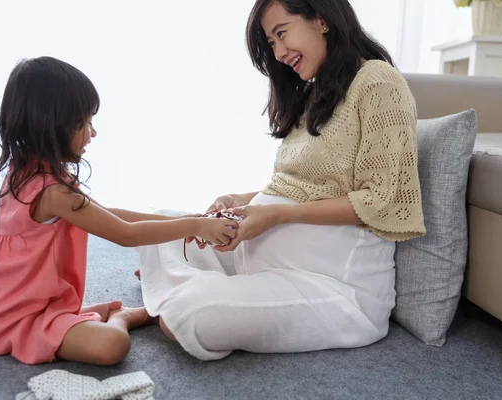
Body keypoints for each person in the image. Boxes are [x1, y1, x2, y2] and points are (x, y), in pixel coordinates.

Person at [135, 0, 426, 361]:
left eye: (282, 33)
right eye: (271, 43)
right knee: (160, 226)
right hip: (262, 257)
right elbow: (303, 185)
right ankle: (195, 287)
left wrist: (276, 216)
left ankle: (180, 293)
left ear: (320, 19)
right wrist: (240, 198)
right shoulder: (317, 94)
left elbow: (381, 198)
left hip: (334, 285)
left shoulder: (378, 82)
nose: (279, 52)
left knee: (188, 316)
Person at [0, 56, 239, 366]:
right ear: (52, 124)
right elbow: (125, 233)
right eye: (85, 123)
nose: (92, 133)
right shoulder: (53, 192)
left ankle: (79, 316)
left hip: (7, 303)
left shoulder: (27, 171)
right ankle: (123, 317)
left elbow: (110, 215)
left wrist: (187, 220)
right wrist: (195, 228)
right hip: (20, 316)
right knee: (112, 345)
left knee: (91, 335)